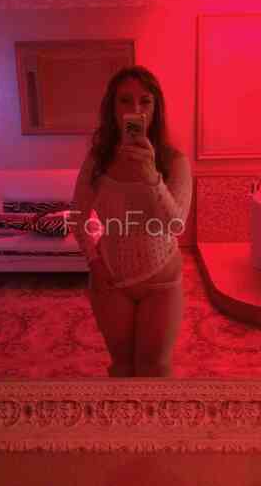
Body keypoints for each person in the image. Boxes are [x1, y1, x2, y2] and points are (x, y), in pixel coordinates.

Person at [69, 65, 192, 378]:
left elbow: (176, 225)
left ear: (156, 108)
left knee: (155, 368)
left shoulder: (174, 161)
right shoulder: (98, 160)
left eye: (145, 101)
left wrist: (151, 177)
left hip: (161, 280)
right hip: (110, 278)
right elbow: (79, 216)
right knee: (122, 367)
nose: (135, 109)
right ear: (112, 108)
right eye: (125, 100)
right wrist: (94, 262)